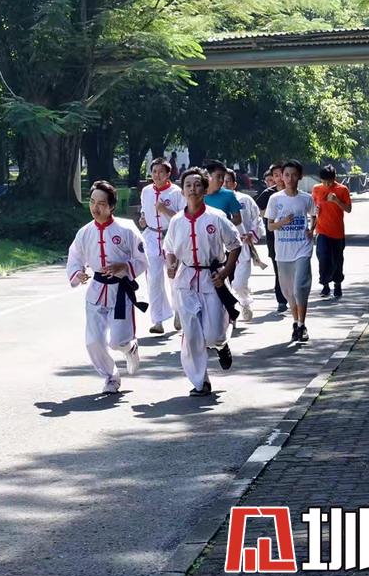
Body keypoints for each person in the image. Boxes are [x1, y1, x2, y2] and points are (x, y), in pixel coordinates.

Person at [164, 168, 241, 397]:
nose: (193, 189)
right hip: (185, 281)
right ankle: (200, 382)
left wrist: (225, 271)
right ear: (182, 190)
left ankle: (221, 345)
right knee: (192, 334)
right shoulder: (176, 221)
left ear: (205, 189)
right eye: (188, 185)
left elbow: (235, 245)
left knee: (214, 334)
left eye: (197, 185)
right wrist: (171, 264)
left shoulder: (217, 217)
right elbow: (169, 248)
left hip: (212, 279)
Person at [67, 180, 148, 393]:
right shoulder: (85, 232)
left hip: (120, 291)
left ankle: (130, 347)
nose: (95, 208)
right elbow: (74, 257)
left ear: (111, 206)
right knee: (93, 341)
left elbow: (142, 259)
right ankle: (111, 377)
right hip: (96, 291)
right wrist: (77, 273)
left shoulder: (127, 229)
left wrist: (125, 266)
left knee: (118, 341)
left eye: (101, 204)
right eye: (92, 202)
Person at [266, 160, 316, 343]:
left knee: (300, 287)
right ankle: (295, 322)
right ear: (281, 177)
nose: (290, 178)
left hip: (302, 248)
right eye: (286, 175)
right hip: (283, 251)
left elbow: (314, 215)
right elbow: (270, 226)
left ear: (300, 176)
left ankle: (302, 325)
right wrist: (283, 222)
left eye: (294, 175)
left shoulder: (306, 198)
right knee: (289, 292)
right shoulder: (275, 199)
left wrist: (312, 229)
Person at [139, 158, 186, 334]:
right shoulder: (146, 191)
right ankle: (157, 320)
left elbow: (182, 217)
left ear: (168, 174)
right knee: (153, 279)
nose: (157, 175)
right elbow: (144, 210)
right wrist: (143, 218)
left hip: (171, 238)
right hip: (151, 237)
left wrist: (164, 210)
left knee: (174, 277)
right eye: (154, 172)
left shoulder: (176, 192)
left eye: (161, 172)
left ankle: (178, 311)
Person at [223, 169, 266, 321]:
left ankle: (245, 302)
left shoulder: (245, 200)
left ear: (234, 184)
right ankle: (229, 315)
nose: (224, 184)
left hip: (242, 246)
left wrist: (251, 234)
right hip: (221, 248)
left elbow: (257, 220)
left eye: (228, 181)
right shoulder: (212, 201)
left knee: (239, 283)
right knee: (224, 284)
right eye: (221, 180)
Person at [312, 165, 352, 298]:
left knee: (337, 259)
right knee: (323, 257)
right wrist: (314, 215)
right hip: (322, 230)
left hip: (337, 231)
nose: (326, 185)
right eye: (324, 181)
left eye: (329, 182)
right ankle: (325, 284)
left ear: (334, 178)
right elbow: (312, 208)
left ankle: (337, 284)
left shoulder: (342, 189)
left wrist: (336, 201)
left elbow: (348, 209)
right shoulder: (316, 189)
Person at [255, 163, 288, 313]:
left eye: (282, 174)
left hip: (292, 238)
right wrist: (270, 215)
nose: (279, 178)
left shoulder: (294, 192)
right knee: (278, 269)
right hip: (273, 237)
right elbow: (256, 210)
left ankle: (291, 295)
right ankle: (281, 300)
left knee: (290, 270)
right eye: (275, 175)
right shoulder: (268, 194)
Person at [203, 160, 243, 226]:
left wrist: (222, 225)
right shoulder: (197, 195)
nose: (221, 180)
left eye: (223, 177)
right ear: (208, 176)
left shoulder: (228, 195)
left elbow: (238, 219)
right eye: (218, 176)